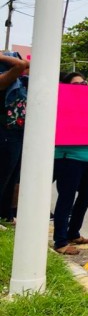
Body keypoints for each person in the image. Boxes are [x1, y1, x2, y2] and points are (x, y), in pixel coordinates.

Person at [52, 72, 88, 254]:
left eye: (84, 82)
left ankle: (73, 232)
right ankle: (60, 241)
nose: (82, 86)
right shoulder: (60, 103)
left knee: (87, 194)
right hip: (68, 157)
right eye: (76, 84)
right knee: (66, 197)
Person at [0, 51, 28, 225]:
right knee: (3, 175)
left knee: (13, 177)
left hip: (18, 132)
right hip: (5, 132)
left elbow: (25, 64)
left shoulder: (20, 82)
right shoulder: (3, 80)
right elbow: (21, 65)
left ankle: (6, 214)